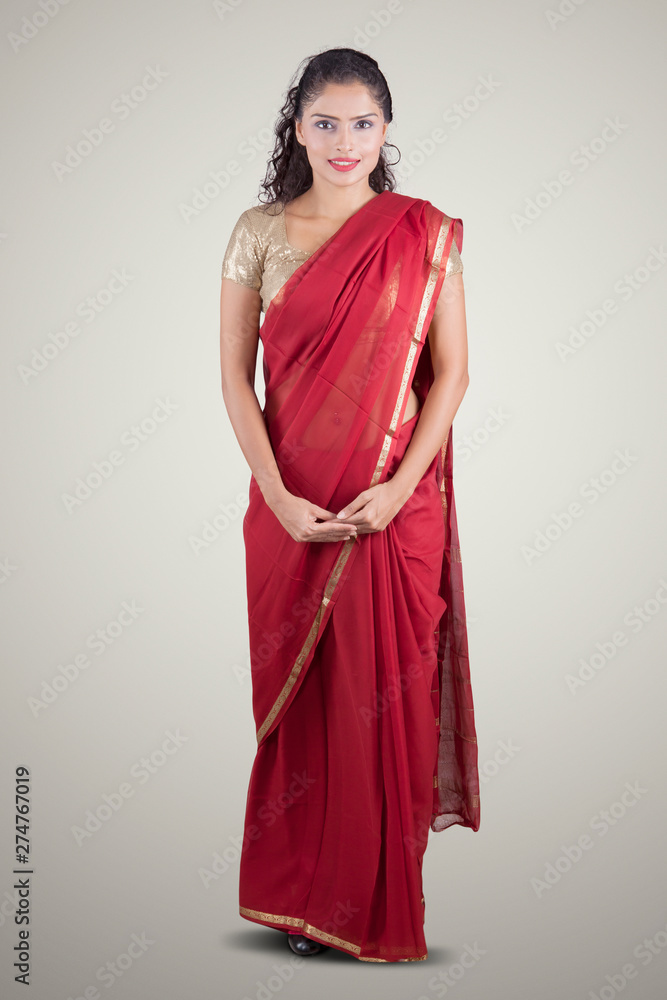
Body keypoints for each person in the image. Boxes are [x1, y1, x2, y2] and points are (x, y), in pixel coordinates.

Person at [219, 47, 480, 964]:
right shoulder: (258, 231)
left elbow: (449, 378)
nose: (342, 141)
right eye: (324, 122)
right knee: (307, 701)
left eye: (361, 123)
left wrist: (397, 490)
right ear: (297, 126)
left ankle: (370, 895)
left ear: (385, 130)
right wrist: (283, 502)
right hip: (291, 507)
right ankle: (300, 898)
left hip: (390, 510)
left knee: (388, 702)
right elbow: (234, 385)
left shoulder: (423, 232)